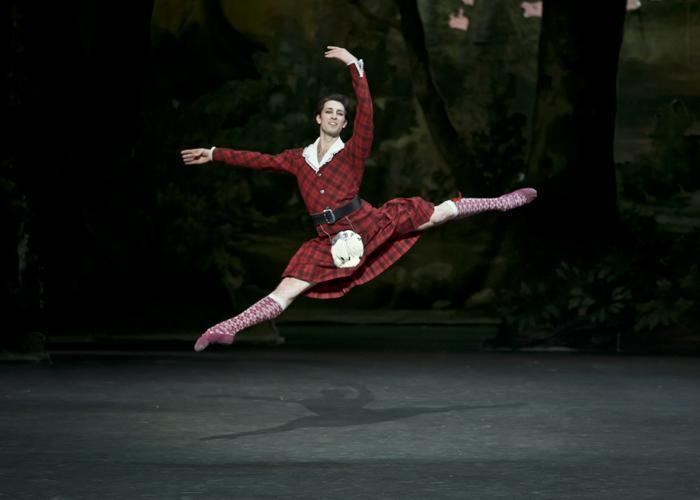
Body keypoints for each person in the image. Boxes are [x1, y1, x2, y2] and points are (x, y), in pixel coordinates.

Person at [181, 46, 536, 352]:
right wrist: (214, 153)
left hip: (368, 222)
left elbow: (366, 112)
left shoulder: (351, 152)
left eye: (340, 113)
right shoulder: (296, 158)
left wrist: (354, 65)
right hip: (328, 239)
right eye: (330, 111)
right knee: (286, 289)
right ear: (318, 118)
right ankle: (228, 327)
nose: (336, 116)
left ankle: (499, 202)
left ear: (344, 123)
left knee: (439, 213)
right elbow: (258, 160)